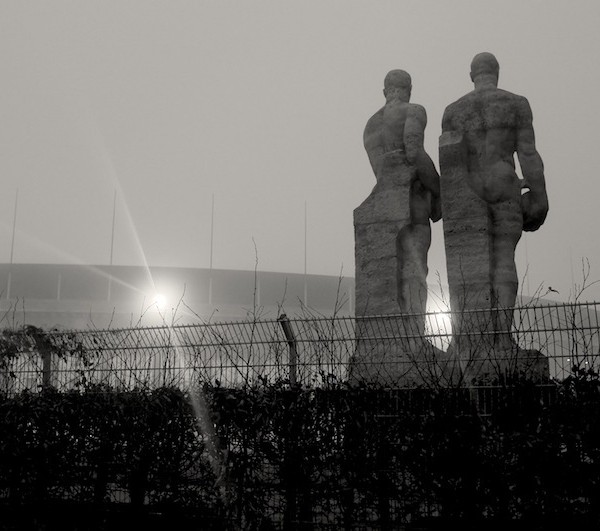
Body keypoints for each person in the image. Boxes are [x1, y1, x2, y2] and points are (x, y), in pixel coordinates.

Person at [441, 52, 548, 313]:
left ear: (471, 76)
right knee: (503, 259)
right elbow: (528, 154)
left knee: (469, 265)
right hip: (503, 181)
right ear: (496, 73)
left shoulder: (453, 111)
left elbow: (450, 157)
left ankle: (472, 338)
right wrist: (539, 195)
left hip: (468, 188)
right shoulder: (515, 103)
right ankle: (502, 337)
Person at [362, 69, 441, 315]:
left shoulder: (371, 125)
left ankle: (396, 336)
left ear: (385, 91)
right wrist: (439, 189)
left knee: (387, 275)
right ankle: (414, 335)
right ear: (409, 89)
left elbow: (380, 170)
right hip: (414, 200)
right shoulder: (413, 111)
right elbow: (414, 152)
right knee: (415, 270)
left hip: (383, 204)